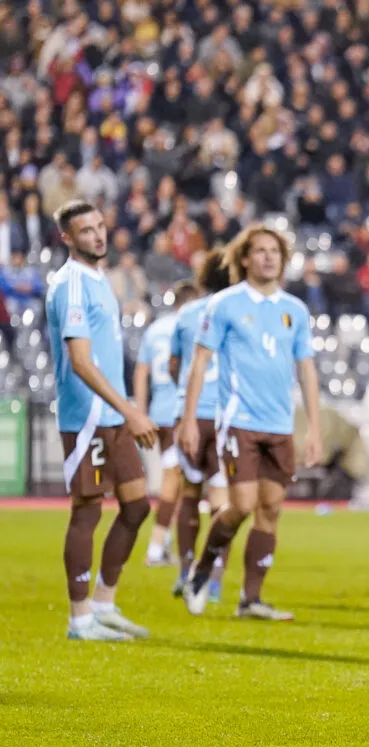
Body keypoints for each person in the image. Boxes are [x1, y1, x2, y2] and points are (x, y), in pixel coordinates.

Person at [178, 225, 323, 619]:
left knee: (272, 508)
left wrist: (314, 429)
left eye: (274, 251)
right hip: (238, 421)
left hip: (279, 425)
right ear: (244, 258)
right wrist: (189, 419)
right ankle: (202, 570)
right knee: (241, 505)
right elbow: (200, 363)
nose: (268, 257)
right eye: (259, 250)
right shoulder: (224, 304)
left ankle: (251, 600)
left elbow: (307, 371)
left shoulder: (295, 310)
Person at [45, 200, 155, 641]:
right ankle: (79, 618)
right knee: (87, 510)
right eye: (86, 230)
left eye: (100, 226)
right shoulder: (70, 284)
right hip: (87, 416)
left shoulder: (100, 279)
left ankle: (105, 604)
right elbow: (81, 362)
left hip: (113, 414)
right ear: (67, 238)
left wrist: (124, 408)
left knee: (137, 506)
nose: (98, 235)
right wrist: (130, 408)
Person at [168, 250, 232, 602]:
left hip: (189, 413)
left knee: (189, 496)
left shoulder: (187, 314)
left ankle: (184, 570)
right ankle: (215, 579)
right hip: (225, 416)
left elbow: (175, 365)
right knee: (223, 502)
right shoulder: (240, 311)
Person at [134, 283, 192, 568]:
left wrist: (141, 413)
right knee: (174, 479)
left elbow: (141, 372)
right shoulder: (190, 326)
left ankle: (165, 544)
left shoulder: (154, 329)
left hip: (158, 413)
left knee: (178, 481)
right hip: (180, 413)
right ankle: (157, 547)